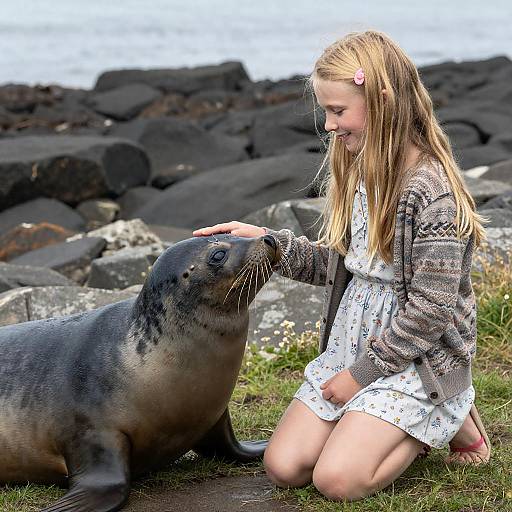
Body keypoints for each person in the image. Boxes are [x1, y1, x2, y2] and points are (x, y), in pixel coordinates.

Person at [193, 30, 491, 502]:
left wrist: (361, 375)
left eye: (338, 111)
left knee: (337, 481)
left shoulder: (430, 193)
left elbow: (431, 311)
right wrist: (266, 245)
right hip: (353, 345)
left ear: (383, 103)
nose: (329, 126)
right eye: (326, 112)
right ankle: (382, 423)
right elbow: (338, 267)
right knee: (284, 467)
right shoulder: (359, 170)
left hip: (416, 358)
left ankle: (446, 414)